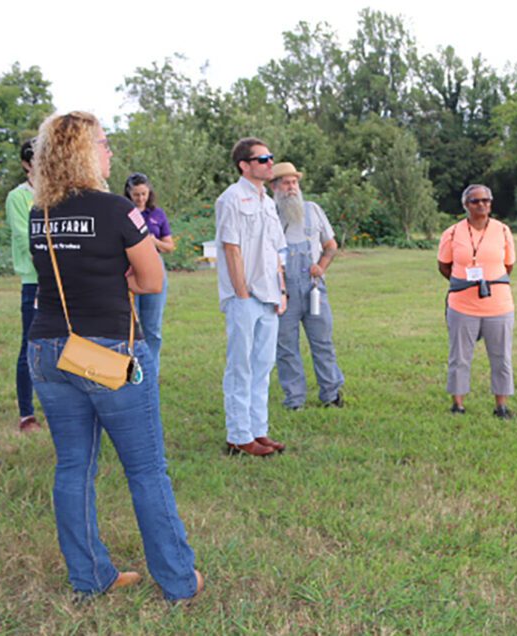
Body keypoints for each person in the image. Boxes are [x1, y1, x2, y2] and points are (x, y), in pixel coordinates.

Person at [27, 111, 201, 601]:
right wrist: (120, 277)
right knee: (146, 470)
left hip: (48, 348)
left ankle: (89, 577)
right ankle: (178, 580)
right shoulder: (116, 209)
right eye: (103, 143)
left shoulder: (39, 212)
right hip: (105, 351)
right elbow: (152, 280)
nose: (109, 152)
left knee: (73, 468)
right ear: (84, 152)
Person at [216, 137, 288, 457]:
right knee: (240, 366)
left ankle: (259, 430)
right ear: (244, 166)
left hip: (269, 295)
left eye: (270, 157)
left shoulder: (268, 202)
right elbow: (231, 248)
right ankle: (238, 435)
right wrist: (241, 293)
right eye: (262, 159)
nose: (270, 163)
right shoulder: (231, 199)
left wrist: (281, 290)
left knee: (263, 366)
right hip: (244, 296)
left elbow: (275, 250)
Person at [269, 162, 345, 410]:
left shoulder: (313, 210)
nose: (291, 188)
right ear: (274, 187)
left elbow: (331, 246)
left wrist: (321, 266)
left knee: (323, 342)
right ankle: (294, 399)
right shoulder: (269, 214)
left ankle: (331, 394)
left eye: (294, 182)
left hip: (313, 290)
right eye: (286, 183)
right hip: (283, 292)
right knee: (286, 347)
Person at [437, 184, 517, 418]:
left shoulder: (503, 230)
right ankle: (458, 404)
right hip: (462, 305)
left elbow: (508, 265)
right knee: (459, 356)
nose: (481, 204)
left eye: (486, 200)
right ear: (465, 205)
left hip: (498, 305)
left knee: (501, 357)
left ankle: (501, 406)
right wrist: (465, 283)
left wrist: (490, 282)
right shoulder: (452, 233)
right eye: (475, 201)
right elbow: (444, 266)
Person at [6, 138, 43, 432]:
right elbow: (26, 239)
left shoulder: (59, 193)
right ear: (26, 164)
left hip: (65, 280)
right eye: (37, 158)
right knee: (30, 346)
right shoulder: (18, 197)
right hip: (35, 281)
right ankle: (26, 413)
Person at [124, 172, 174, 380]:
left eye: (144, 194)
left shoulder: (157, 214)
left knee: (152, 327)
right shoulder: (122, 213)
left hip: (154, 268)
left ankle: (151, 373)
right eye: (136, 194)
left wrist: (155, 241)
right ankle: (131, 372)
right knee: (131, 325)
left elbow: (169, 246)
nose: (140, 198)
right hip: (129, 270)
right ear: (129, 193)